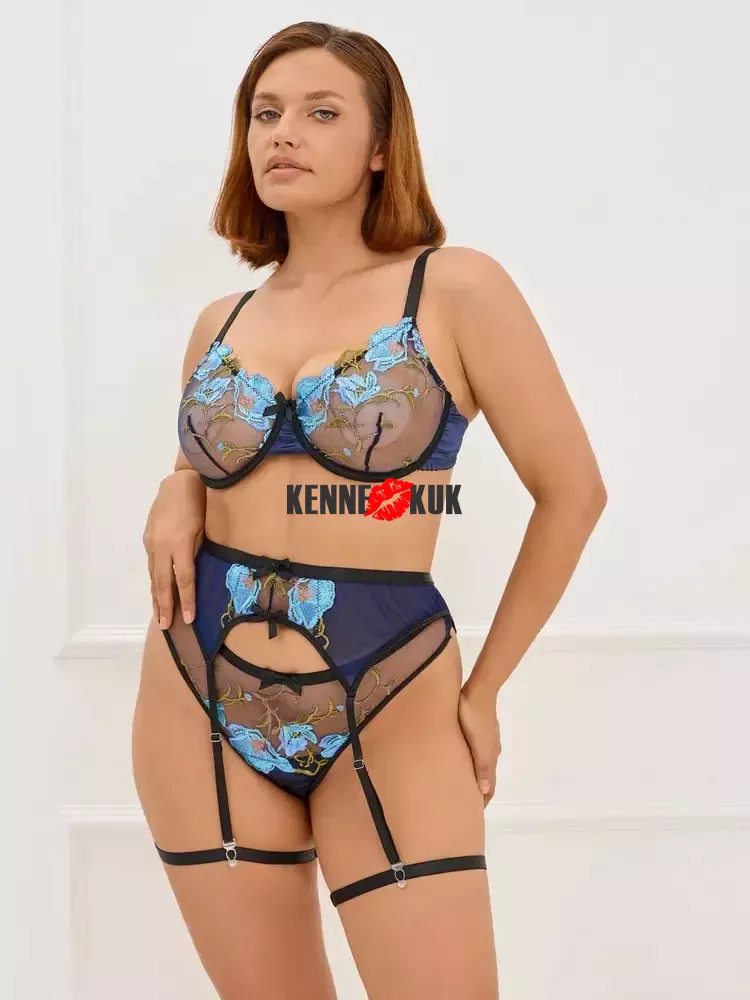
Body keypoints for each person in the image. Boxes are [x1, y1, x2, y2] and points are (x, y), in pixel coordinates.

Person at [131, 20, 607, 1000]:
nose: (282, 133)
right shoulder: (220, 322)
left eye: (320, 112)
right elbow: (206, 464)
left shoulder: (455, 287)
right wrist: (175, 486)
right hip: (195, 680)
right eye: (265, 113)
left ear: (382, 146)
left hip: (390, 681)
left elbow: (573, 493)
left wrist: (485, 690)